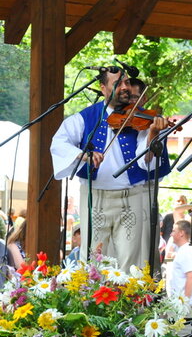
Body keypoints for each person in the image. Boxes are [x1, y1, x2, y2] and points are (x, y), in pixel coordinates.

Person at [50, 68, 171, 272]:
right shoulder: (85, 117)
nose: (124, 87)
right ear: (103, 88)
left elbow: (146, 162)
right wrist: (83, 155)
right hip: (95, 196)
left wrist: (152, 135)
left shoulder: (141, 118)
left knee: (131, 263)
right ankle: (93, 302)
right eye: (117, 83)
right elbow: (59, 142)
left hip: (132, 197)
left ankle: (129, 303)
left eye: (125, 82)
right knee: (93, 261)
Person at [168, 220, 192, 310]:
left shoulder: (186, 251)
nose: (171, 234)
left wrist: (185, 302)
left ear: (181, 233)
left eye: (173, 231)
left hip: (188, 306)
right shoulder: (183, 250)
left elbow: (191, 276)